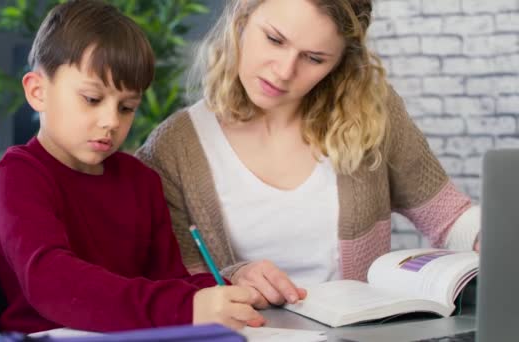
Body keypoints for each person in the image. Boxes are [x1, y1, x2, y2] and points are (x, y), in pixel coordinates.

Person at [136, 0, 480, 309]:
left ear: (340, 62)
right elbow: (174, 284)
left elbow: (449, 217)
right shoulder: (173, 149)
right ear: (242, 16)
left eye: (314, 58)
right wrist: (232, 277)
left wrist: (492, 239)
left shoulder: (370, 115)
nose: (284, 71)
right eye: (274, 39)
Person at [0, 0, 265, 334]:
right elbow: (54, 285)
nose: (110, 121)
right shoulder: (20, 174)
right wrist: (186, 306)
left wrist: (226, 289)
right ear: (37, 91)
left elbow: (168, 279)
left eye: (127, 107)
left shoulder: (140, 180)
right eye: (92, 99)